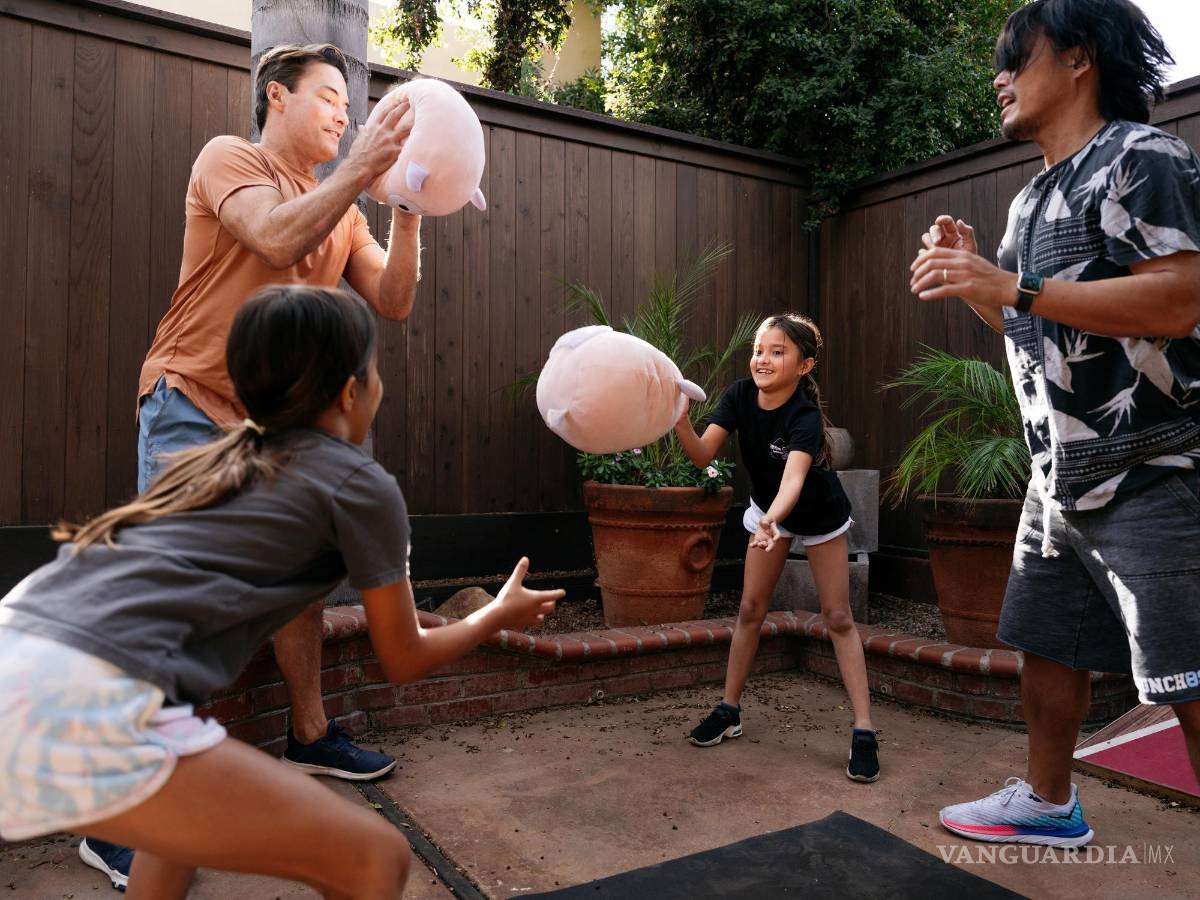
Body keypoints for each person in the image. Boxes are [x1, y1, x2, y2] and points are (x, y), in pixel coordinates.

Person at [0, 285, 562, 899]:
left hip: (20, 646)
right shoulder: (359, 485)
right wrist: (496, 614)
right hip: (93, 692)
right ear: (352, 391)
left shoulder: (215, 460)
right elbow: (403, 658)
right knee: (375, 858)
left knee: (178, 840)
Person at [77, 41, 421, 890]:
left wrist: (410, 205)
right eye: (330, 97)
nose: (345, 115)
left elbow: (394, 299)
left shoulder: (345, 213)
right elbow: (271, 235)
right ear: (277, 96)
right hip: (191, 401)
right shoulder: (231, 159)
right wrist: (363, 170)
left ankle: (310, 734)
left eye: (350, 105)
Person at [909, 0, 1200, 848]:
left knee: (1188, 674)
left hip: (1154, 468)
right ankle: (1048, 802)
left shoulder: (1142, 157)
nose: (999, 77)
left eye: (1017, 58)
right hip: (1059, 475)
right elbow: (1032, 325)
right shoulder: (1030, 199)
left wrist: (1011, 285)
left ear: (1079, 59)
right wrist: (978, 281)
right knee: (1048, 640)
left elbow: (1181, 298)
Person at [674, 314, 880, 782]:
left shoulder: (804, 417)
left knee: (838, 618)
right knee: (750, 609)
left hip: (818, 515)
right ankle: (729, 710)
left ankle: (864, 730)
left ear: (804, 365)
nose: (762, 360)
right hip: (769, 513)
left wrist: (772, 520)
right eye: (758, 350)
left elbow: (794, 480)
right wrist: (681, 421)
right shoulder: (739, 395)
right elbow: (702, 455)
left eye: (777, 352)